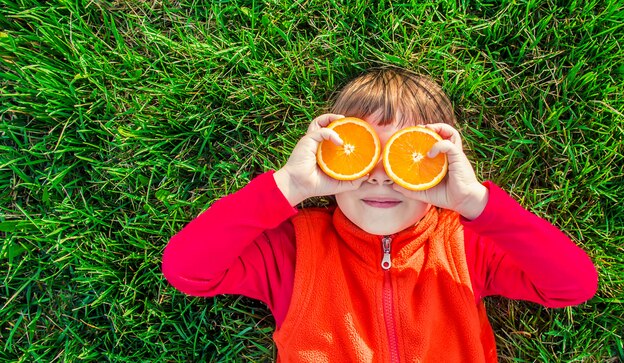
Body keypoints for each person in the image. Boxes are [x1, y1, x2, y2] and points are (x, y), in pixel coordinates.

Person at [162, 67, 597, 362]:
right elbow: (187, 270)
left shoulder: (465, 246)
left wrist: (476, 204)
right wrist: (288, 187)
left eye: (404, 158)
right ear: (331, 160)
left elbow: (572, 285)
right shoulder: (295, 250)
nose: (381, 178)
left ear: (441, 166)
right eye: (361, 155)